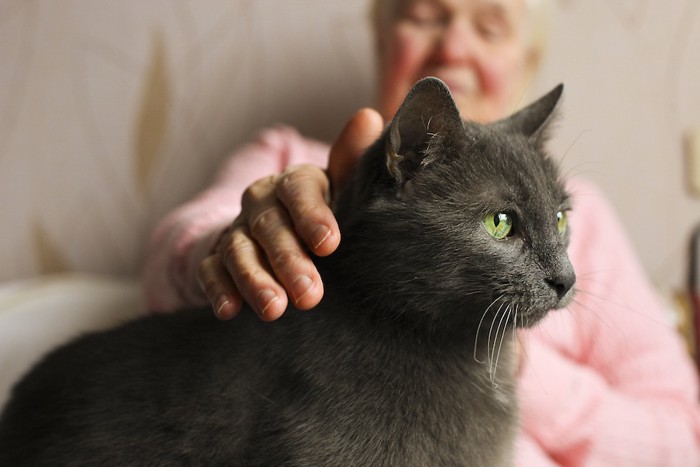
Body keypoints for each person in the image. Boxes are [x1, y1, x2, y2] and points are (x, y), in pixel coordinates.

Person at [142, 0, 700, 464]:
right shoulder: (287, 159)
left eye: (489, 26)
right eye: (426, 15)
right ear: (384, 43)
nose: (454, 45)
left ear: (524, 62)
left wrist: (521, 366)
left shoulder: (584, 210)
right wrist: (241, 249)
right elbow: (181, 250)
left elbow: (682, 433)